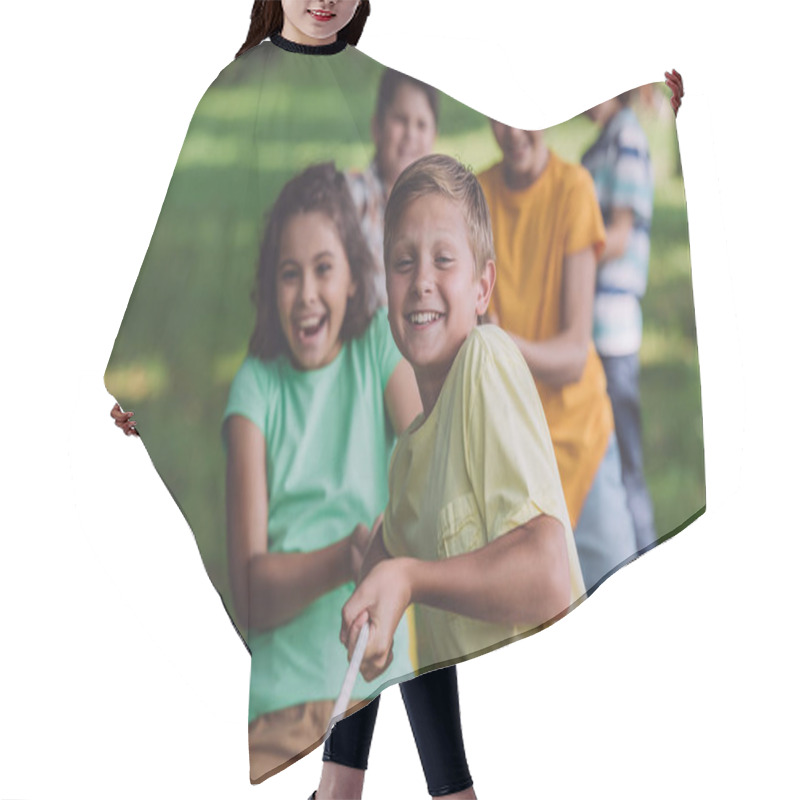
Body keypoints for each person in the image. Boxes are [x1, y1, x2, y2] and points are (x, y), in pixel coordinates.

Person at [340, 154, 584, 702]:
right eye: (403, 263)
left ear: (482, 287)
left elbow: (548, 576)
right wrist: (374, 611)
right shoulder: (406, 458)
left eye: (443, 259)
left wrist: (410, 579)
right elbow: (391, 557)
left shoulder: (485, 359)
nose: (422, 281)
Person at [581, 89, 657, 551]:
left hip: (614, 330)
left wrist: (567, 254)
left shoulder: (627, 137)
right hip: (591, 330)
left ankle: (647, 552)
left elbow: (621, 234)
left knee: (626, 463)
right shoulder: (602, 142)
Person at [345, 68, 439, 308]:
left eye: (421, 125)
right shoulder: (353, 198)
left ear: (433, 137)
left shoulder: (439, 208)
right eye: (400, 120)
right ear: (377, 127)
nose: (410, 134)